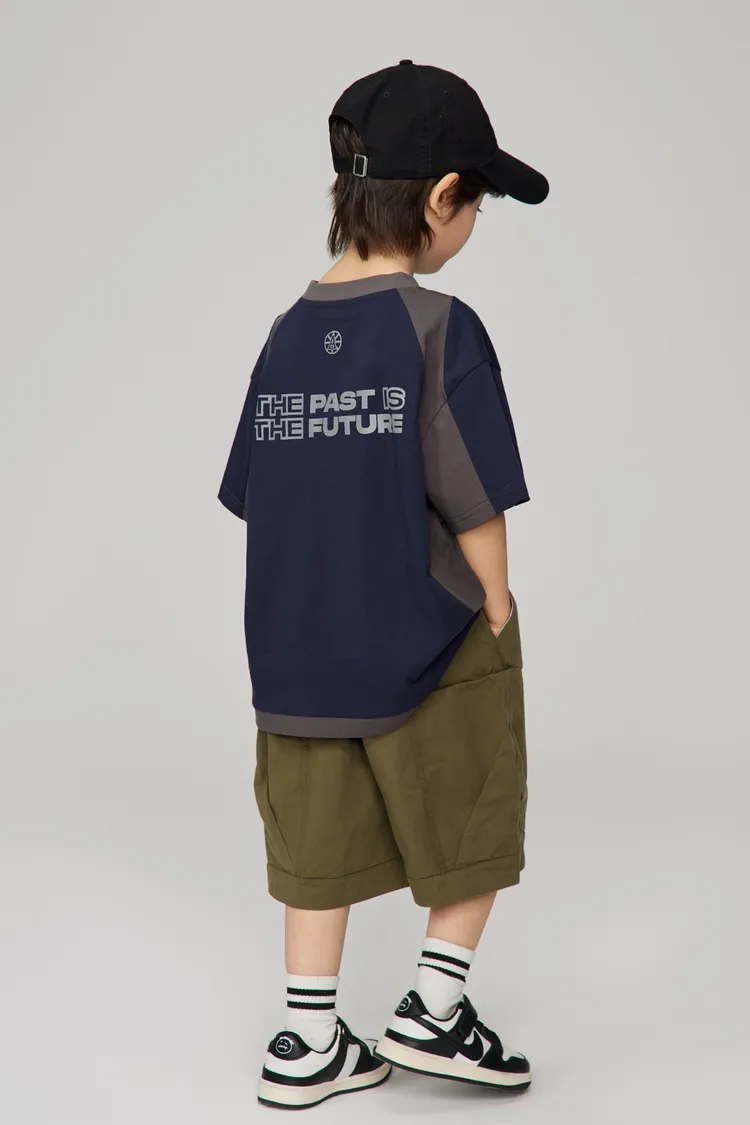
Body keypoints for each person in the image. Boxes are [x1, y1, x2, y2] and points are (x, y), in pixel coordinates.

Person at [219, 59, 548, 1112]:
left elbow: (255, 493)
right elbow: (475, 498)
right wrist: (496, 605)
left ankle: (307, 1038)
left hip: (296, 656)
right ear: (443, 195)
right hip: (422, 639)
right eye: (479, 201)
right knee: (475, 809)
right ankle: (436, 1005)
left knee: (313, 844)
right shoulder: (439, 327)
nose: (474, 221)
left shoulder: (283, 336)